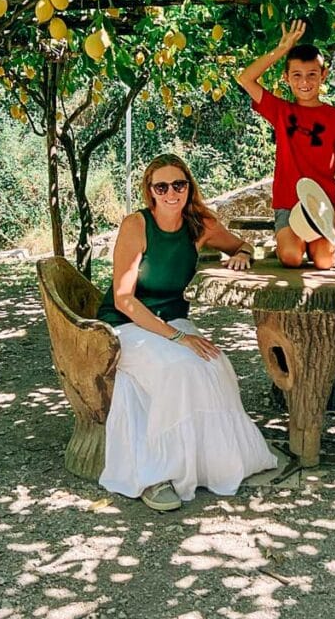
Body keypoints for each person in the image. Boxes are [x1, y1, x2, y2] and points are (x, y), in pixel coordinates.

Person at [97, 153, 277, 511]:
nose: (171, 193)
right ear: (150, 192)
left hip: (173, 319)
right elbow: (123, 299)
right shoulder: (136, 225)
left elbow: (242, 244)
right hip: (127, 325)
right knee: (179, 367)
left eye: (178, 184)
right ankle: (158, 473)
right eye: (161, 186)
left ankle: (210, 467)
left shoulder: (200, 223)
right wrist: (178, 338)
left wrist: (241, 254)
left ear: (189, 187)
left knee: (214, 364)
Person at [236, 20, 335, 269]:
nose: (305, 82)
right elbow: (245, 78)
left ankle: (326, 245)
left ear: (323, 75)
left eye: (312, 74)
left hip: (325, 205)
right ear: (286, 78)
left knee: (324, 262)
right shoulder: (280, 111)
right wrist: (282, 49)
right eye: (297, 75)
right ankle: (292, 242)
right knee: (291, 258)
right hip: (288, 203)